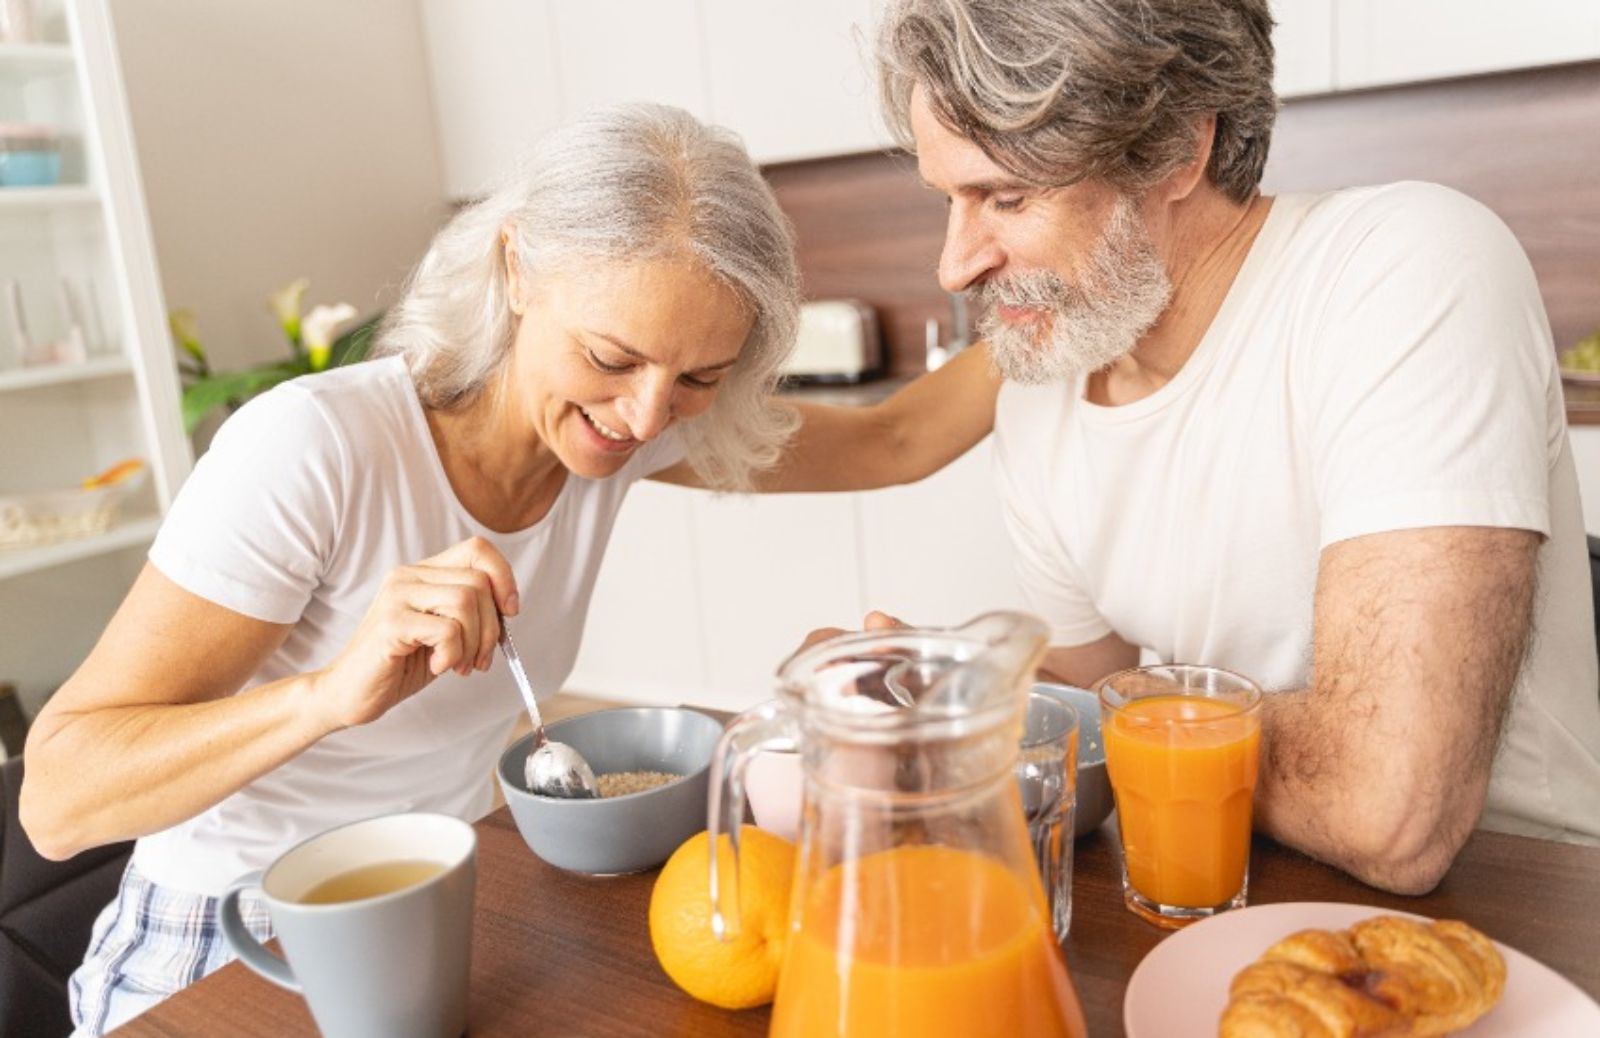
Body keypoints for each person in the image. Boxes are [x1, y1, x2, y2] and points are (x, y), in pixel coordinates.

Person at [19, 102, 999, 1035]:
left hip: (445, 910)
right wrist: (324, 697)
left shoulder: (618, 438)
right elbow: (58, 802)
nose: (648, 416)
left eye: (699, 377)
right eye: (612, 355)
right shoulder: (316, 447)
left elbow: (896, 441)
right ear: (518, 267)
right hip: (231, 943)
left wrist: (1078, 280)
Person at [866, 0, 1600, 894]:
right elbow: (1094, 697)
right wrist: (950, 687)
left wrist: (1032, 714)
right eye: (949, 199)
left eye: (1007, 197)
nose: (953, 265)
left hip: (1510, 906)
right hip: (1210, 879)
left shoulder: (1407, 269)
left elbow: (1390, 806)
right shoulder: (1047, 395)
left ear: (1178, 149)